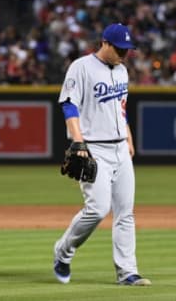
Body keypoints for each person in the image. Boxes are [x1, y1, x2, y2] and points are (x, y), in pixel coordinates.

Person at [53, 23, 151, 286]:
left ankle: (127, 272)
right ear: (105, 43)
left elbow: (120, 108)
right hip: (93, 147)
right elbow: (68, 105)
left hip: (120, 148)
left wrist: (128, 137)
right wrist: (78, 141)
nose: (124, 54)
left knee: (125, 212)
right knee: (97, 209)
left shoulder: (122, 70)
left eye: (127, 50)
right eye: (119, 49)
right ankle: (63, 251)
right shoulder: (81, 67)